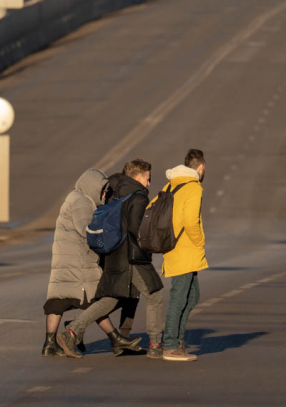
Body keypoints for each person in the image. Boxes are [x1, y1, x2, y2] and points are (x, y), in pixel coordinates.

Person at [57, 159, 165, 359]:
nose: (149, 184)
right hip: (132, 258)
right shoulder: (139, 197)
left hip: (113, 255)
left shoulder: (114, 193)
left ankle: (71, 332)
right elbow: (135, 229)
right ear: (138, 177)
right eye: (148, 179)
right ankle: (156, 344)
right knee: (154, 296)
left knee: (109, 299)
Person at [42, 169, 143, 357]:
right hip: (78, 259)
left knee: (59, 299)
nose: (104, 195)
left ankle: (49, 344)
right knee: (95, 300)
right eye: (103, 190)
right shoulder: (81, 201)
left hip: (69, 257)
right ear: (93, 187)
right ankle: (114, 338)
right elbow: (85, 229)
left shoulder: (77, 198)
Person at [160, 149, 208, 362]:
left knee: (191, 295)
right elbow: (190, 220)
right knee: (179, 297)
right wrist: (199, 242)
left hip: (173, 247)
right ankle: (170, 345)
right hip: (185, 249)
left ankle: (178, 340)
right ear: (200, 168)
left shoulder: (171, 184)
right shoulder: (194, 187)